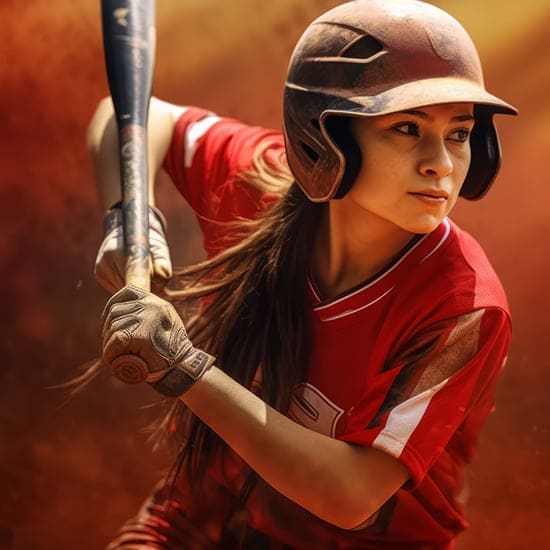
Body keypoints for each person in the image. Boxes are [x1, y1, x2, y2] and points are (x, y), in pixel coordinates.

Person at [89, 1, 518, 547]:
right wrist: (130, 215)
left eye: (458, 133)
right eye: (408, 128)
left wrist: (183, 368)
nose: (442, 163)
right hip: (203, 521)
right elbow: (131, 117)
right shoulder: (262, 185)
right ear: (324, 138)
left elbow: (350, 496)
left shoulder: (465, 304)